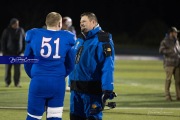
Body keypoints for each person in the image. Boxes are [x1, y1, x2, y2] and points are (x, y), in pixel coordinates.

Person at [24, 12, 76, 120]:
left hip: (38, 81)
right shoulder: (67, 37)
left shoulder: (34, 35)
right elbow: (71, 64)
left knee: (33, 117)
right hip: (57, 83)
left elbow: (27, 62)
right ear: (60, 24)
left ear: (46, 22)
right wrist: (59, 75)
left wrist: (36, 75)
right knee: (54, 117)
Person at [69, 12, 116, 120]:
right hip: (76, 90)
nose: (81, 24)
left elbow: (108, 65)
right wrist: (70, 83)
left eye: (84, 21)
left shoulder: (102, 39)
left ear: (93, 22)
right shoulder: (80, 39)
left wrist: (107, 89)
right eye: (80, 22)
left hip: (91, 91)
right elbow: (75, 63)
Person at [1, 18, 25, 87]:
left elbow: (23, 41)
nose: (17, 25)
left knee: (18, 70)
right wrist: (4, 52)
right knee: (8, 69)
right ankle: (7, 83)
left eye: (18, 23)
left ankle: (17, 83)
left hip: (18, 54)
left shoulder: (21, 30)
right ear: (12, 24)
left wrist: (22, 50)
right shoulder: (7, 31)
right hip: (8, 53)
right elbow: (3, 41)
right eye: (16, 23)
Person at [159, 26, 180, 101]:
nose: (176, 34)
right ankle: (167, 96)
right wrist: (171, 51)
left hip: (177, 63)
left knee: (178, 81)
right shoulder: (165, 41)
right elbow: (161, 50)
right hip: (169, 63)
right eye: (175, 32)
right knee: (168, 79)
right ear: (171, 33)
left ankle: (178, 96)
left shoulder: (177, 41)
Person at [62, 16, 77, 91]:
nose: (68, 25)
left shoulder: (71, 30)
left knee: (71, 68)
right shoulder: (59, 30)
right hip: (62, 52)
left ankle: (69, 84)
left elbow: (74, 41)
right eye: (66, 23)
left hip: (69, 51)